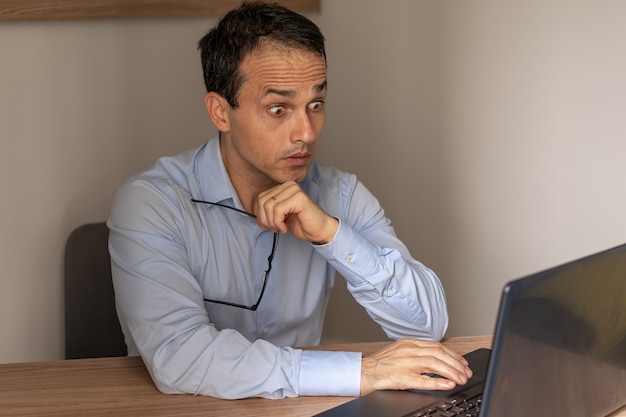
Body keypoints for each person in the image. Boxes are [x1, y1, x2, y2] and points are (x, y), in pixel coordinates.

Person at [108, 1, 472, 400]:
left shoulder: (340, 193)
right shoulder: (153, 203)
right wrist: (363, 372)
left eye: (315, 104)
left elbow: (425, 328)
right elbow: (181, 358)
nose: (306, 133)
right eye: (278, 108)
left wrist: (332, 235)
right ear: (220, 112)